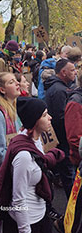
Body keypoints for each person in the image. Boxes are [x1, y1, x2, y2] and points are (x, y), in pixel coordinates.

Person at [0, 97, 64, 232]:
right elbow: (18, 200)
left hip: (41, 215)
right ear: (34, 121)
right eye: (45, 115)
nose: (50, 117)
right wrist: (24, 229)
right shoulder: (24, 156)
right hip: (28, 222)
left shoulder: (35, 142)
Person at [44, 58, 77, 196]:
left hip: (60, 140)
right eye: (72, 70)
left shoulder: (59, 87)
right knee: (69, 176)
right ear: (63, 72)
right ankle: (73, 205)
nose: (75, 72)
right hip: (63, 141)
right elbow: (61, 118)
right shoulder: (59, 90)